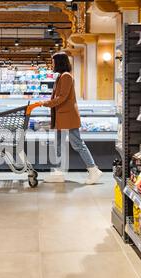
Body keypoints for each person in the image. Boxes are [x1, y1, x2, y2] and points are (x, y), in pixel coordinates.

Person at [37, 52, 102, 184]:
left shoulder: (66, 76)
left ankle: (93, 170)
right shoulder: (61, 76)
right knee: (59, 145)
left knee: (77, 144)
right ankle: (58, 173)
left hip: (68, 116)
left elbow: (62, 97)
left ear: (59, 62)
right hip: (62, 116)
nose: (52, 64)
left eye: (53, 62)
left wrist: (45, 103)